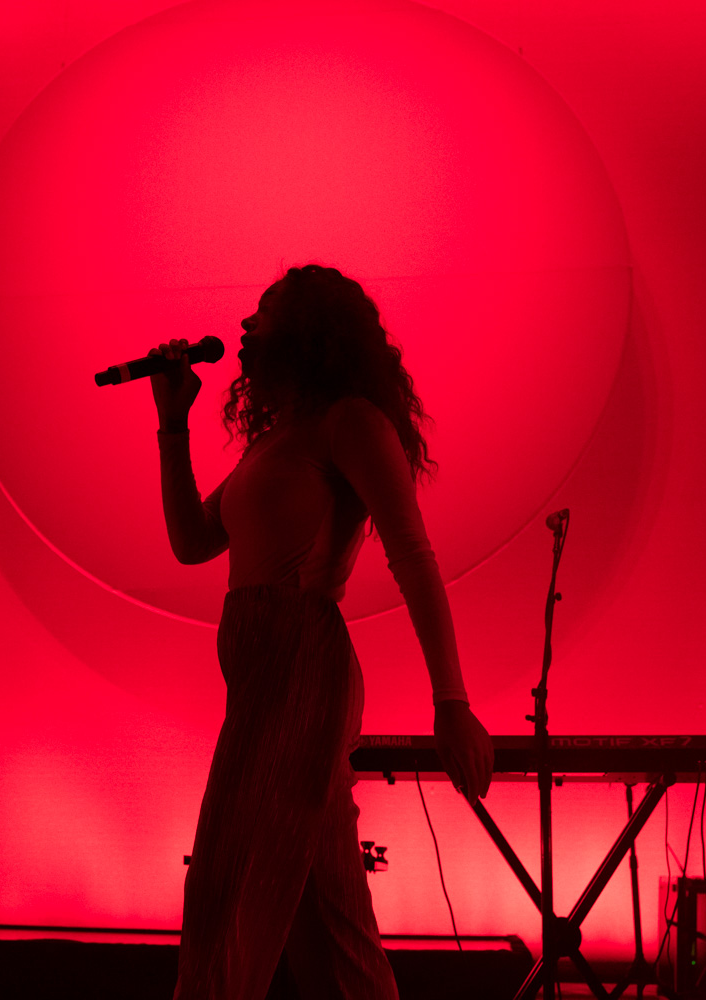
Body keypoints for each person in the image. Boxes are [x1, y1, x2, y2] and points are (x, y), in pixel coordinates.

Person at [149, 264, 494, 1000]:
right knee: (327, 920)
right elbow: (190, 540)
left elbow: (414, 556)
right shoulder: (276, 439)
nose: (243, 327)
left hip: (300, 664)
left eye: (263, 312)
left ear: (308, 328)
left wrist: (452, 702)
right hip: (263, 674)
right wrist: (172, 422)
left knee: (226, 885)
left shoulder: (350, 422)